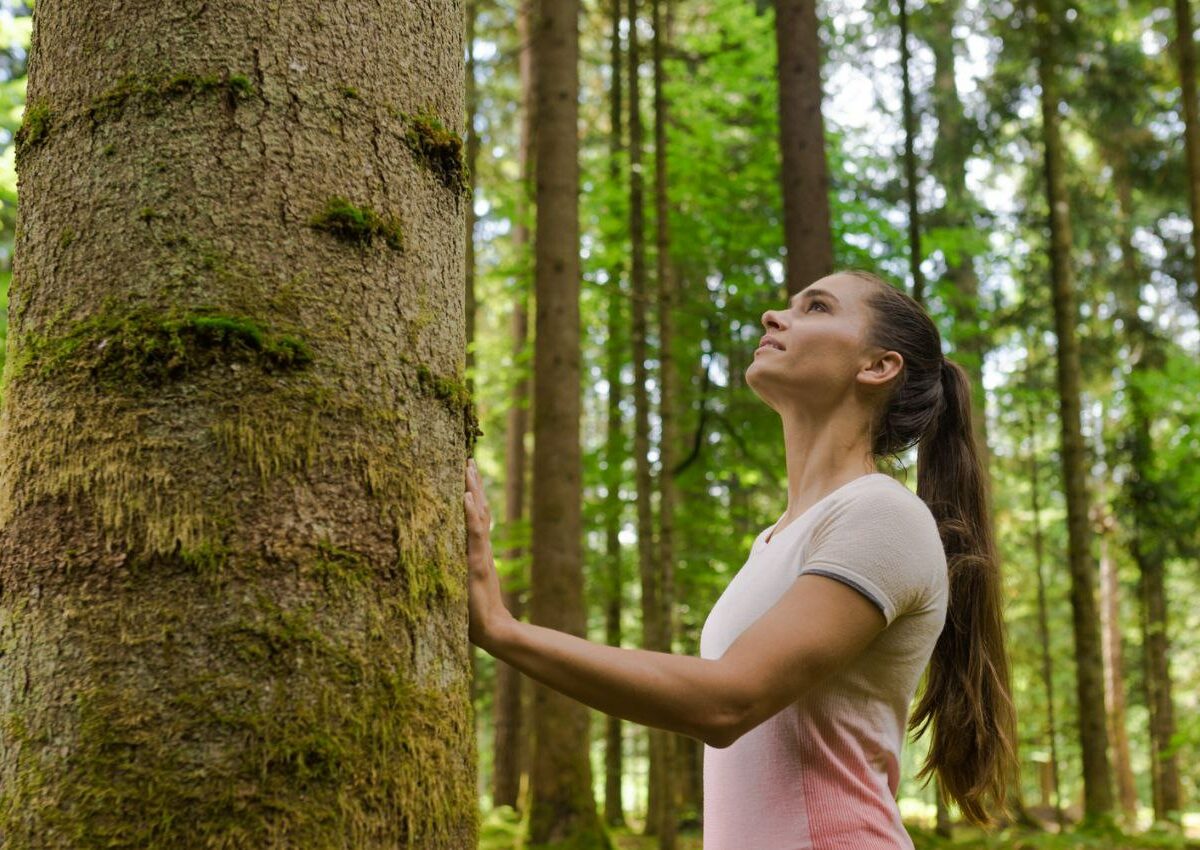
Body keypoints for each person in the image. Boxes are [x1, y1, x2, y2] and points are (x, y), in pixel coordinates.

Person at [464, 269, 1017, 849]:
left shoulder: (883, 516)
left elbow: (727, 700)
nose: (774, 317)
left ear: (877, 366)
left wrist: (503, 629)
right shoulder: (777, 540)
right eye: (789, 306)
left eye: (818, 308)